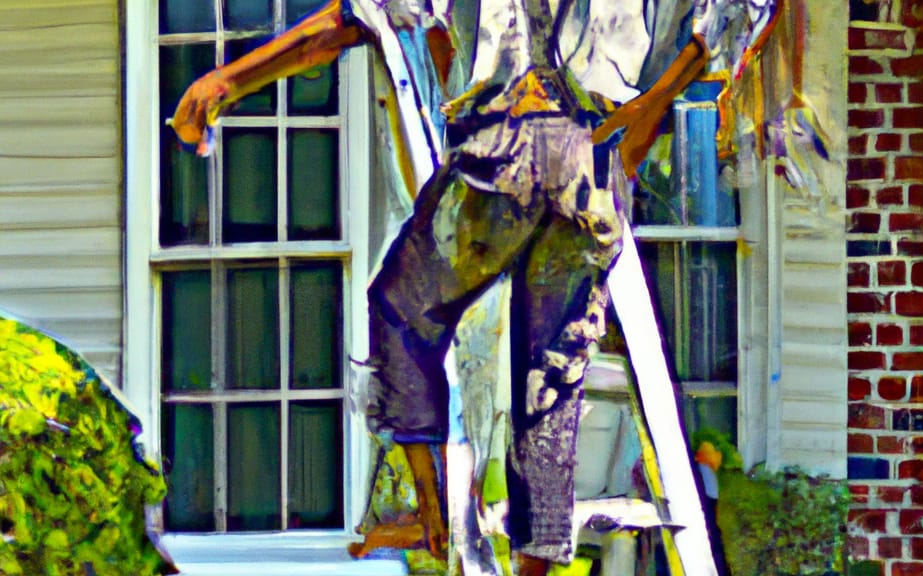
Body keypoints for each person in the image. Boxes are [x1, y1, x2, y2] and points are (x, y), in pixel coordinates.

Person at [171, 0, 761, 572]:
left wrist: (227, 80)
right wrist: (646, 113)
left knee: (402, 307)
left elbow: (355, 18)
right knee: (550, 384)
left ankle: (432, 510)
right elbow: (731, 16)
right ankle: (523, 560)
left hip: (507, 151)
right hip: (596, 165)